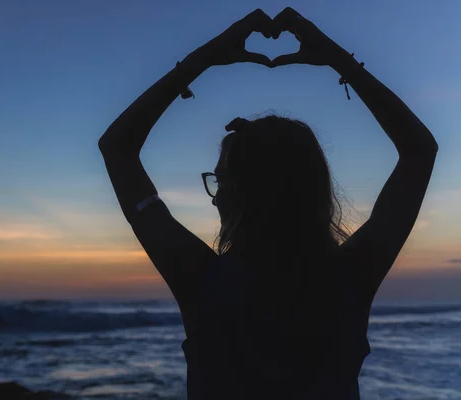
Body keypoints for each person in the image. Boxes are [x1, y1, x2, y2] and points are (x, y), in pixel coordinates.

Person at [98, 7, 438, 400]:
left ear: (243, 192)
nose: (216, 198)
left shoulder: (200, 278)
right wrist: (337, 59)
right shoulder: (351, 276)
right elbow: (419, 152)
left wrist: (203, 60)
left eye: (220, 181)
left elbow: (117, 148)